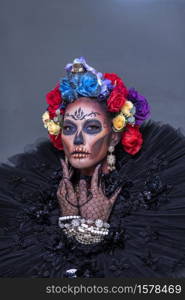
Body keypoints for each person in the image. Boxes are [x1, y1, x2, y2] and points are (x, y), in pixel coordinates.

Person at [0, 57, 185, 278]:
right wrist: (70, 221)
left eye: (92, 127)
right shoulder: (35, 190)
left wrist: (93, 230)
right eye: (68, 128)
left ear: (114, 137)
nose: (78, 140)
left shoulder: (150, 186)